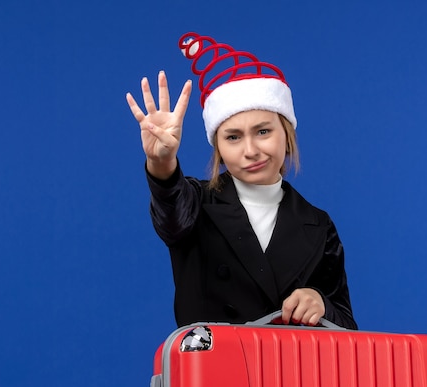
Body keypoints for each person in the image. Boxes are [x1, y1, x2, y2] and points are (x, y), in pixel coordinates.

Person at [126, 32, 357, 329]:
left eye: (263, 132)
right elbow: (171, 213)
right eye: (233, 137)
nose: (251, 151)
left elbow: (348, 328)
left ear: (286, 135)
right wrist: (161, 161)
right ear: (218, 147)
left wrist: (320, 303)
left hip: (288, 374)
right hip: (212, 371)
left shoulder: (318, 225)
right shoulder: (196, 202)